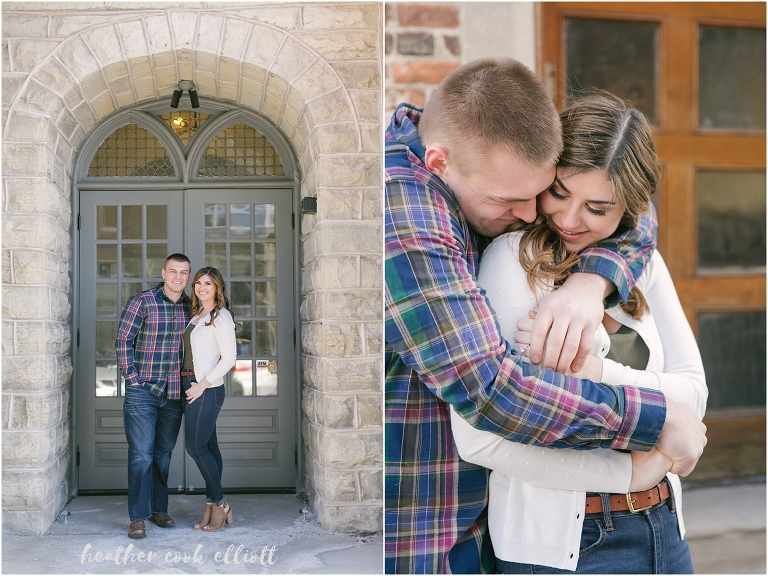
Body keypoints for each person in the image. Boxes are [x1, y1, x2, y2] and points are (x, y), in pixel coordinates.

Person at [384, 58, 706, 573]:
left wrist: (589, 287)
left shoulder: (479, 152)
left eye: (599, 209)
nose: (539, 213)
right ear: (439, 164)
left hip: (656, 528)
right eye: (549, 194)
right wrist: (645, 439)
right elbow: (488, 400)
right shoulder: (423, 222)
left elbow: (695, 390)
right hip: (439, 529)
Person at [116, 253, 191, 539]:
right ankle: (137, 517)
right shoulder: (143, 301)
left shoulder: (191, 306)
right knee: (141, 456)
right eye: (173, 271)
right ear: (163, 273)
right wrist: (132, 379)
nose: (178, 277)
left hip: (174, 393)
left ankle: (159, 509)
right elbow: (124, 339)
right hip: (143, 391)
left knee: (162, 456)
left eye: (184, 272)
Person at [182, 266, 237, 532]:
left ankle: (219, 504)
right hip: (191, 385)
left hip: (207, 389)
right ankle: (210, 503)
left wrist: (201, 386)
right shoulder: (196, 315)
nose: (202, 288)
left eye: (208, 284)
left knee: (196, 448)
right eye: (198, 283)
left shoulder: (221, 316)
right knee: (210, 448)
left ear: (217, 288)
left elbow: (229, 358)